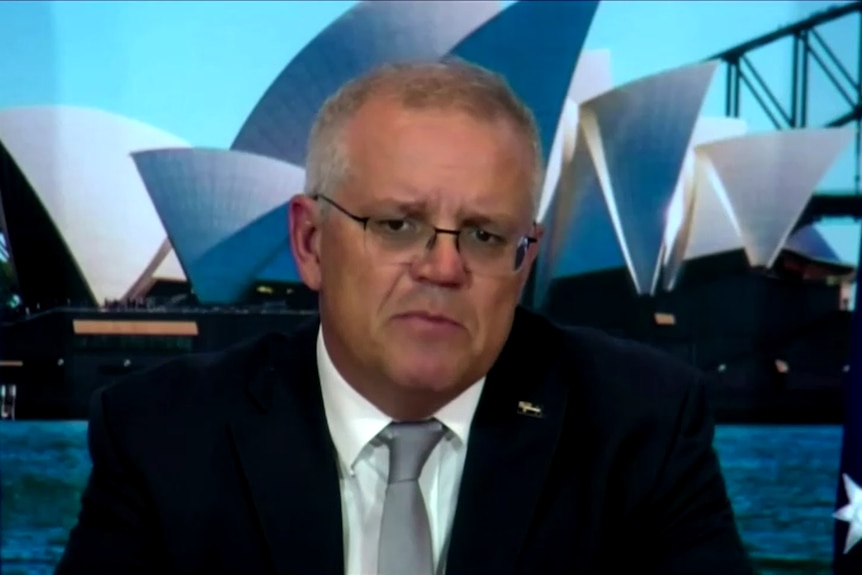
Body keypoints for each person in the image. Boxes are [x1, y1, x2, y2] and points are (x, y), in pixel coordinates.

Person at [56, 59, 754, 575]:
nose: (443, 267)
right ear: (309, 243)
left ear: (526, 257)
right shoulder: (163, 435)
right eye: (396, 224)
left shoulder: (641, 428)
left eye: (484, 235)